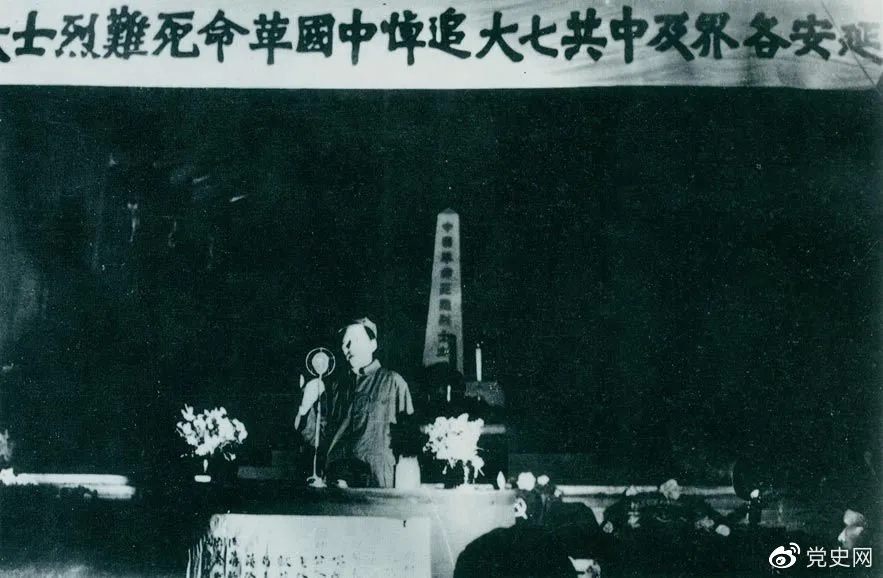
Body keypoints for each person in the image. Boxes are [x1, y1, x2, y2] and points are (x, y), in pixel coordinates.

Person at [294, 317, 414, 488]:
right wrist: (305, 406)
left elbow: (409, 440)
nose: (348, 347)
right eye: (344, 343)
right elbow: (316, 438)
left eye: (355, 340)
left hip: (377, 481)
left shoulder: (393, 382)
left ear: (373, 344)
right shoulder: (335, 387)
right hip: (336, 479)